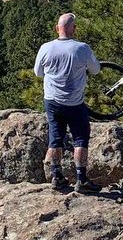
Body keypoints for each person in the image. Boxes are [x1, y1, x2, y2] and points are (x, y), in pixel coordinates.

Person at [33, 13, 102, 193]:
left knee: (55, 138)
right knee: (80, 139)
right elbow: (95, 70)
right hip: (75, 103)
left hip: (52, 101)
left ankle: (57, 177)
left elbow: (38, 73)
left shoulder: (45, 48)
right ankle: (81, 179)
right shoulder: (82, 48)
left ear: (57, 28)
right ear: (74, 29)